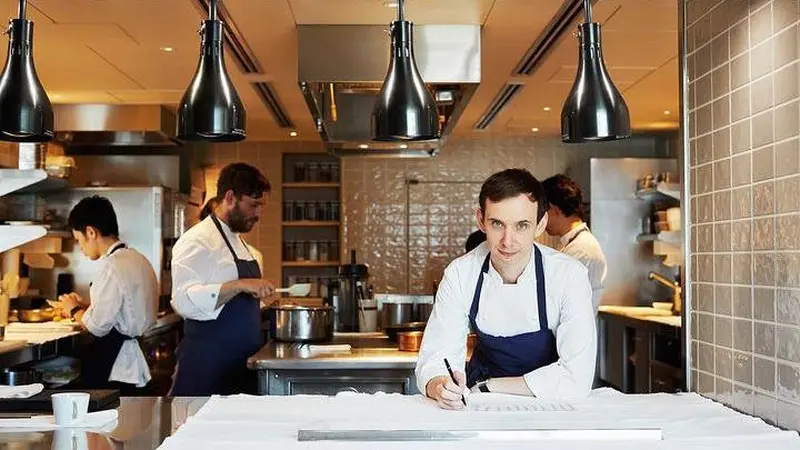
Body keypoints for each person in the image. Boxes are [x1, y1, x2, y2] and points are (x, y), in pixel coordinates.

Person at [415, 168, 596, 410]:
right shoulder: (460, 274)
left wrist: (491, 386)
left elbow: (577, 376)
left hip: (551, 405)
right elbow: (436, 359)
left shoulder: (568, 275)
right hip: (481, 406)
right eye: (497, 224)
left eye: (521, 225)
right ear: (481, 220)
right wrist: (442, 386)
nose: (508, 241)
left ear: (540, 224)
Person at [169, 163, 275, 396]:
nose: (258, 214)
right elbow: (183, 301)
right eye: (254, 205)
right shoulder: (196, 241)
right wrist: (239, 285)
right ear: (230, 197)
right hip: (207, 367)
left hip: (239, 365)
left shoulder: (242, 244)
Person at [57, 195, 158, 394]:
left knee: (107, 420)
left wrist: (73, 309)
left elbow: (97, 327)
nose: (81, 248)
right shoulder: (138, 258)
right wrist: (88, 306)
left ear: (91, 232)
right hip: (133, 355)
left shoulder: (111, 266)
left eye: (79, 240)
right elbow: (122, 309)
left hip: (116, 362)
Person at [543, 174, 607, 311]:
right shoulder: (575, 244)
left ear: (553, 210)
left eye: (542, 212)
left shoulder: (582, 250)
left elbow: (557, 302)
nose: (541, 220)